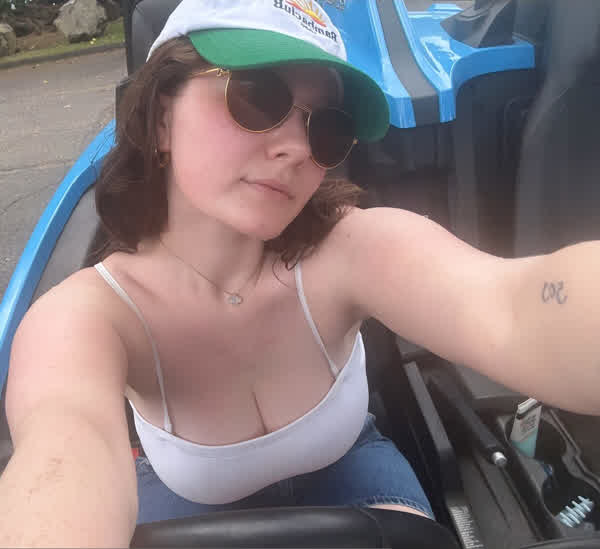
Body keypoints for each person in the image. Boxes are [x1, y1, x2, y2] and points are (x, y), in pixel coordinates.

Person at [1, 0, 600, 546]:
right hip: (184, 501)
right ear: (161, 119)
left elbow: (514, 307)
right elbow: (61, 455)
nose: (296, 147)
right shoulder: (88, 314)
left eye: (327, 127)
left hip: (354, 470)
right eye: (256, 98)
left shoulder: (351, 246)